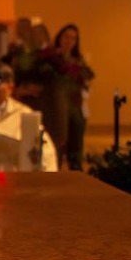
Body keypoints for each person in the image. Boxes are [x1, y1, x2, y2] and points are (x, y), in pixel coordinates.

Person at [51, 23, 95, 170]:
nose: (68, 41)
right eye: (66, 37)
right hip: (57, 111)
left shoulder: (78, 61)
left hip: (76, 109)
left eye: (73, 38)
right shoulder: (52, 59)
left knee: (76, 150)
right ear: (60, 38)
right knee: (57, 150)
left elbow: (87, 81)